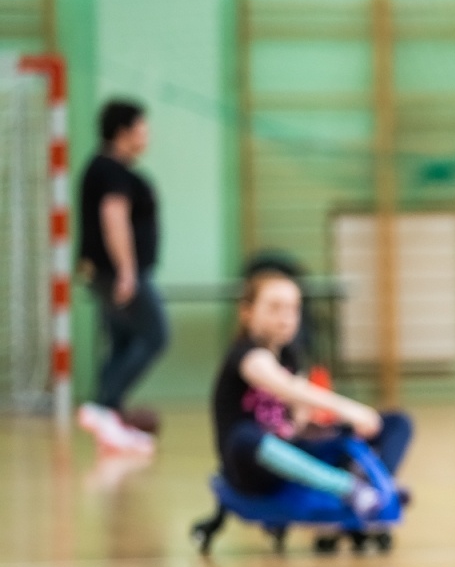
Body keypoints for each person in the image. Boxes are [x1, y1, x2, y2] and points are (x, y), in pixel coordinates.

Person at [212, 270, 412, 521]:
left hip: (290, 451)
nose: (285, 318)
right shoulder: (245, 355)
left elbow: (297, 420)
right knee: (246, 436)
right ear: (247, 312)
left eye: (293, 309)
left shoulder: (292, 357)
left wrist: (328, 428)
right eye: (274, 308)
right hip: (252, 468)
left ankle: (379, 484)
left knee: (396, 422)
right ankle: (350, 488)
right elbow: (284, 387)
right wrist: (350, 410)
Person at [75, 99, 168, 453]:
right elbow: (114, 221)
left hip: (107, 273)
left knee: (122, 342)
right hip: (121, 274)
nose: (147, 137)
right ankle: (105, 406)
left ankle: (108, 415)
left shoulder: (105, 169)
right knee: (156, 334)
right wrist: (127, 272)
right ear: (123, 132)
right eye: (142, 129)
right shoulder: (111, 171)